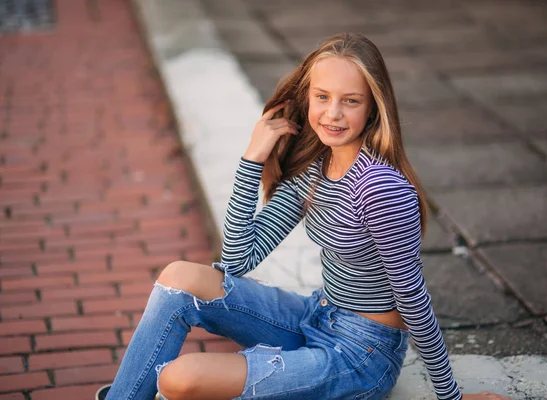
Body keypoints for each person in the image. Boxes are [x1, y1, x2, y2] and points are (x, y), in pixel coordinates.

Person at [98, 33, 510, 400]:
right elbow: (240, 260)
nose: (332, 114)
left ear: (373, 108)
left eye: (350, 101)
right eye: (322, 97)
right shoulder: (317, 170)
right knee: (178, 277)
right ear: (308, 97)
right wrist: (252, 158)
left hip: (361, 355)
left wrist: (451, 398)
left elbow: (413, 298)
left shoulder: (380, 188)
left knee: (177, 379)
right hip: (316, 314)